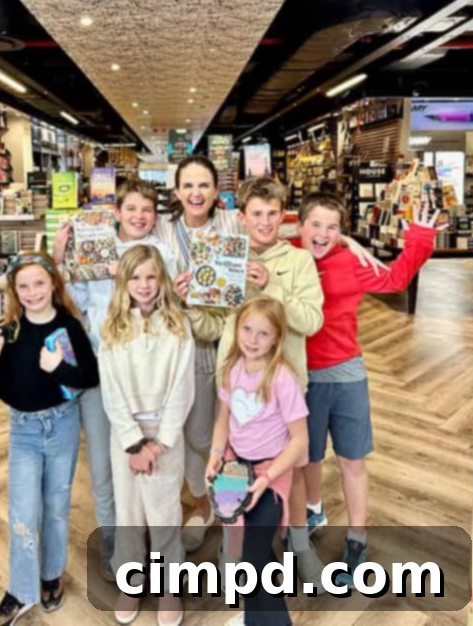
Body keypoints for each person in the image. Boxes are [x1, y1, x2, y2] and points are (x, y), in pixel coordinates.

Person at [295, 193, 441, 583]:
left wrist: (419, 239)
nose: (323, 233)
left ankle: (357, 538)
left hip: (346, 375)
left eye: (333, 227)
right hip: (299, 377)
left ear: (341, 232)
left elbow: (395, 279)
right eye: (315, 224)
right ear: (300, 226)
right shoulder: (288, 254)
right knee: (308, 457)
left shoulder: (352, 261)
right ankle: (314, 509)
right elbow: (259, 229)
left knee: (352, 460)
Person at [51, 177, 180, 582]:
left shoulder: (162, 254)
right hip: (100, 372)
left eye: (147, 210)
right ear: (117, 212)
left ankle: (152, 543)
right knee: (105, 465)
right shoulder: (95, 247)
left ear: (155, 215)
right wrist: (60, 260)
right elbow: (76, 305)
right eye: (132, 209)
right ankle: (115, 540)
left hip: (150, 377)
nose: (139, 216)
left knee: (153, 462)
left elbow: (172, 305)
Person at [0, 251, 99, 626]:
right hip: (25, 431)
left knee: (57, 506)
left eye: (39, 284)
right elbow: (1, 389)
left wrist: (59, 367)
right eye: (24, 286)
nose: (32, 293)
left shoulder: (69, 326)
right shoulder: (9, 331)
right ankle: (20, 590)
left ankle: (51, 574)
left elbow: (89, 377)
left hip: (62, 425)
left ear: (53, 284)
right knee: (22, 511)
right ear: (14, 290)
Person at [214, 175, 323, 586]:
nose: (264, 221)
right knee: (232, 464)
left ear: (283, 216)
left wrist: (273, 285)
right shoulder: (227, 255)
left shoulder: (299, 261)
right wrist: (192, 300)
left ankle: (299, 542)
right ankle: (233, 541)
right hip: (234, 383)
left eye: (272, 213)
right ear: (241, 217)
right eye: (256, 214)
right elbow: (216, 323)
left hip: (283, 388)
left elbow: (311, 321)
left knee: (292, 469)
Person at [97, 246, 195, 626]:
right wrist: (134, 443)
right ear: (124, 283)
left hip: (164, 437)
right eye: (135, 278)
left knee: (164, 512)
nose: (144, 285)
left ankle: (169, 585)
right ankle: (132, 579)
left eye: (151, 276)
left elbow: (182, 389)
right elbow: (111, 391)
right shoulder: (112, 329)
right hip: (127, 437)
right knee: (129, 512)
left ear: (162, 280)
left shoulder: (178, 325)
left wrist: (160, 441)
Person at [154, 157, 244, 550]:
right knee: (193, 433)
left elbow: (277, 235)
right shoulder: (162, 228)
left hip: (228, 344)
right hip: (180, 345)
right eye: (188, 186)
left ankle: (232, 506)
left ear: (216, 190)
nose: (196, 193)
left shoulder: (233, 224)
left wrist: (347, 239)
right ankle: (205, 504)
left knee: (233, 431)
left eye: (204, 185)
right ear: (176, 192)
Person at [206, 297, 309, 626]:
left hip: (270, 473)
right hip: (235, 468)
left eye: (263, 333)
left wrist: (267, 478)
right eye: (247, 329)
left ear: (277, 338)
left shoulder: (283, 379)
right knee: (252, 552)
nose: (252, 339)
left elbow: (300, 441)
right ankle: (255, 619)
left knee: (253, 554)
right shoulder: (232, 369)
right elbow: (224, 418)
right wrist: (215, 454)